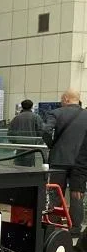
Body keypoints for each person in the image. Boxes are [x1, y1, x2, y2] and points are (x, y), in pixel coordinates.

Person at [43, 89, 87, 235]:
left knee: (54, 193)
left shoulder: (56, 113)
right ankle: (75, 228)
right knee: (77, 195)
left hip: (58, 160)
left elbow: (46, 131)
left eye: (62, 99)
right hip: (80, 162)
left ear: (66, 99)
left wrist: (52, 145)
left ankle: (52, 225)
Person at [8, 99, 43, 167]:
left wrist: (14, 142)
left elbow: (10, 133)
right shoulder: (36, 117)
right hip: (32, 146)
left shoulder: (16, 118)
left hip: (19, 146)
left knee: (19, 165)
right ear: (31, 107)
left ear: (22, 107)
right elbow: (41, 131)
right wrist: (38, 143)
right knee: (29, 165)